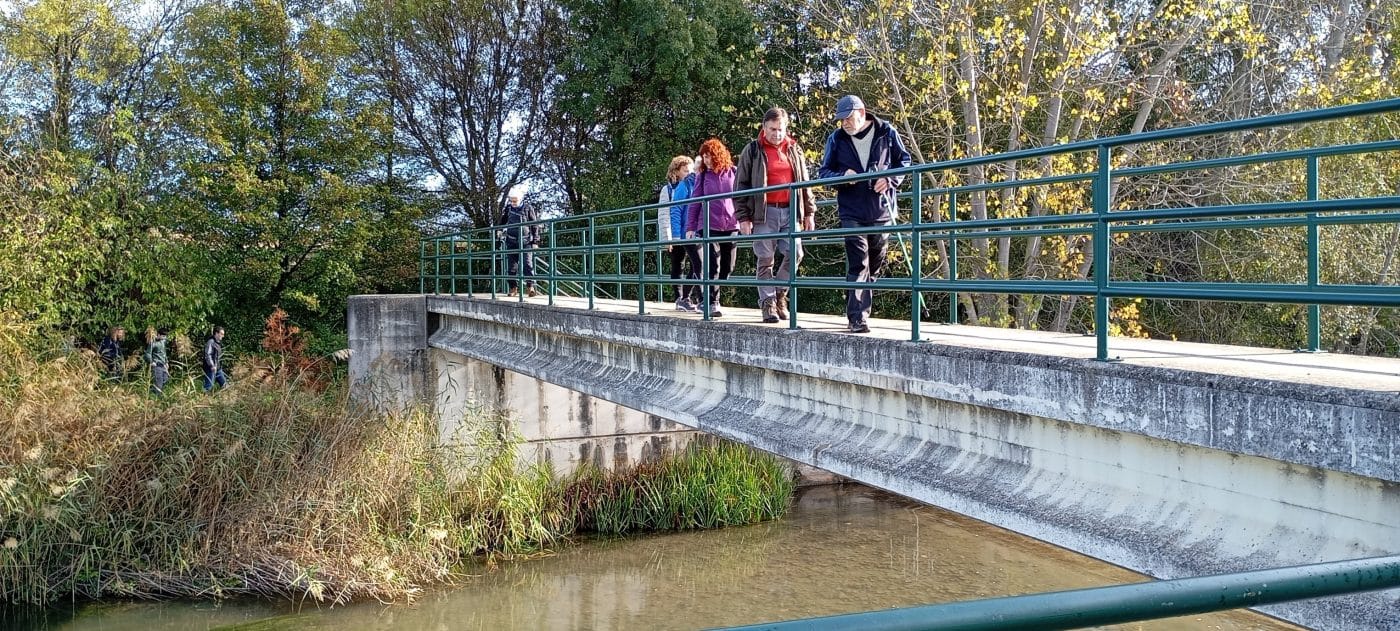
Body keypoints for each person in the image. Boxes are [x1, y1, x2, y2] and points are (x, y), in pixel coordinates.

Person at [818, 95, 912, 333]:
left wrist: (890, 179)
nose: (845, 124)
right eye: (841, 120)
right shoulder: (836, 139)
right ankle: (857, 317)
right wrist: (842, 177)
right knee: (859, 262)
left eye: (848, 118)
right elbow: (824, 173)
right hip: (851, 210)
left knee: (875, 262)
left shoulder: (886, 131)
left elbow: (905, 161)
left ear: (861, 112)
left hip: (881, 209)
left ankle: (858, 303)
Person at [735, 107, 817, 324]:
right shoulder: (752, 150)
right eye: (772, 129)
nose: (777, 134)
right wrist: (743, 217)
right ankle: (768, 304)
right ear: (764, 127)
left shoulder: (793, 149)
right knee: (765, 259)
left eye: (781, 129)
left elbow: (805, 182)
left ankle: (780, 293)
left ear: (786, 128)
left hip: (791, 210)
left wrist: (809, 212)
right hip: (764, 212)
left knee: (796, 253)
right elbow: (740, 186)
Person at [685, 139, 739, 318]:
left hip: (731, 224)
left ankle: (713, 295)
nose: (706, 160)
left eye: (709, 156)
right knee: (712, 265)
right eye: (704, 157)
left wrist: (746, 218)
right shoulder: (703, 175)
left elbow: (742, 197)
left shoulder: (733, 172)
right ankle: (712, 302)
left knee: (728, 267)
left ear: (718, 155)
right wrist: (690, 226)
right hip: (708, 224)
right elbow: (695, 201)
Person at [658, 155, 700, 311]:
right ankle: (679, 298)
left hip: (689, 231)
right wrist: (668, 238)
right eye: (685, 170)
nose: (688, 173)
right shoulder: (667, 189)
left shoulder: (692, 186)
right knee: (678, 264)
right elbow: (664, 215)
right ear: (676, 171)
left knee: (696, 264)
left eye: (690, 170)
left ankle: (688, 297)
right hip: (675, 233)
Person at [497, 185, 541, 297]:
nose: (513, 203)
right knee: (512, 267)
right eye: (511, 200)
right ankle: (513, 288)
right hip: (511, 241)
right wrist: (499, 230)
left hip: (526, 241)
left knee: (527, 264)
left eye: (515, 201)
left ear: (520, 199)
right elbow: (503, 220)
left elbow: (534, 224)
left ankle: (530, 287)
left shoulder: (527, 208)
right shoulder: (508, 208)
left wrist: (535, 241)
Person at [145, 328, 170, 395]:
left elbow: (164, 353)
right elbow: (147, 354)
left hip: (163, 365)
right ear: (158, 335)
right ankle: (156, 397)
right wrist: (151, 361)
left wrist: (166, 362)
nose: (164, 338)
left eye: (165, 336)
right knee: (159, 382)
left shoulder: (163, 342)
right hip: (157, 365)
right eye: (163, 336)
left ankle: (153, 390)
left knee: (166, 379)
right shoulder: (153, 343)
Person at [202, 326, 228, 392]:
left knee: (225, 385)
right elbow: (208, 355)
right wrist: (212, 365)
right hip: (211, 368)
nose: (223, 336)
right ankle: (203, 400)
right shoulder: (211, 342)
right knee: (208, 387)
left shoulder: (217, 343)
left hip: (218, 368)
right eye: (221, 334)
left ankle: (225, 399)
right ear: (216, 333)